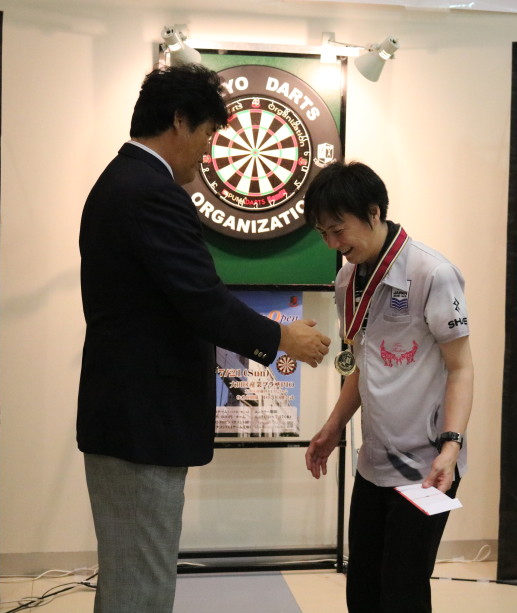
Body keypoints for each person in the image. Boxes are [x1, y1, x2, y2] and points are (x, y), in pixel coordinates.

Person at [77, 64, 330, 613]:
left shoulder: (122, 182)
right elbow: (201, 299)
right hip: (141, 423)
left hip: (129, 418)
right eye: (210, 133)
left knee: (131, 577)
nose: (210, 152)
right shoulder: (150, 192)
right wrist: (283, 340)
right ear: (179, 120)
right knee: (141, 585)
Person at [302, 161, 474, 613]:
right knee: (362, 590)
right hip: (373, 464)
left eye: (339, 230)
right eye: (323, 234)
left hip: (429, 466)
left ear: (374, 212)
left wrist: (451, 446)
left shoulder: (433, 274)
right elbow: (363, 366)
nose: (333, 244)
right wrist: (332, 427)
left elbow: (460, 368)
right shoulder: (346, 281)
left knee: (403, 591)